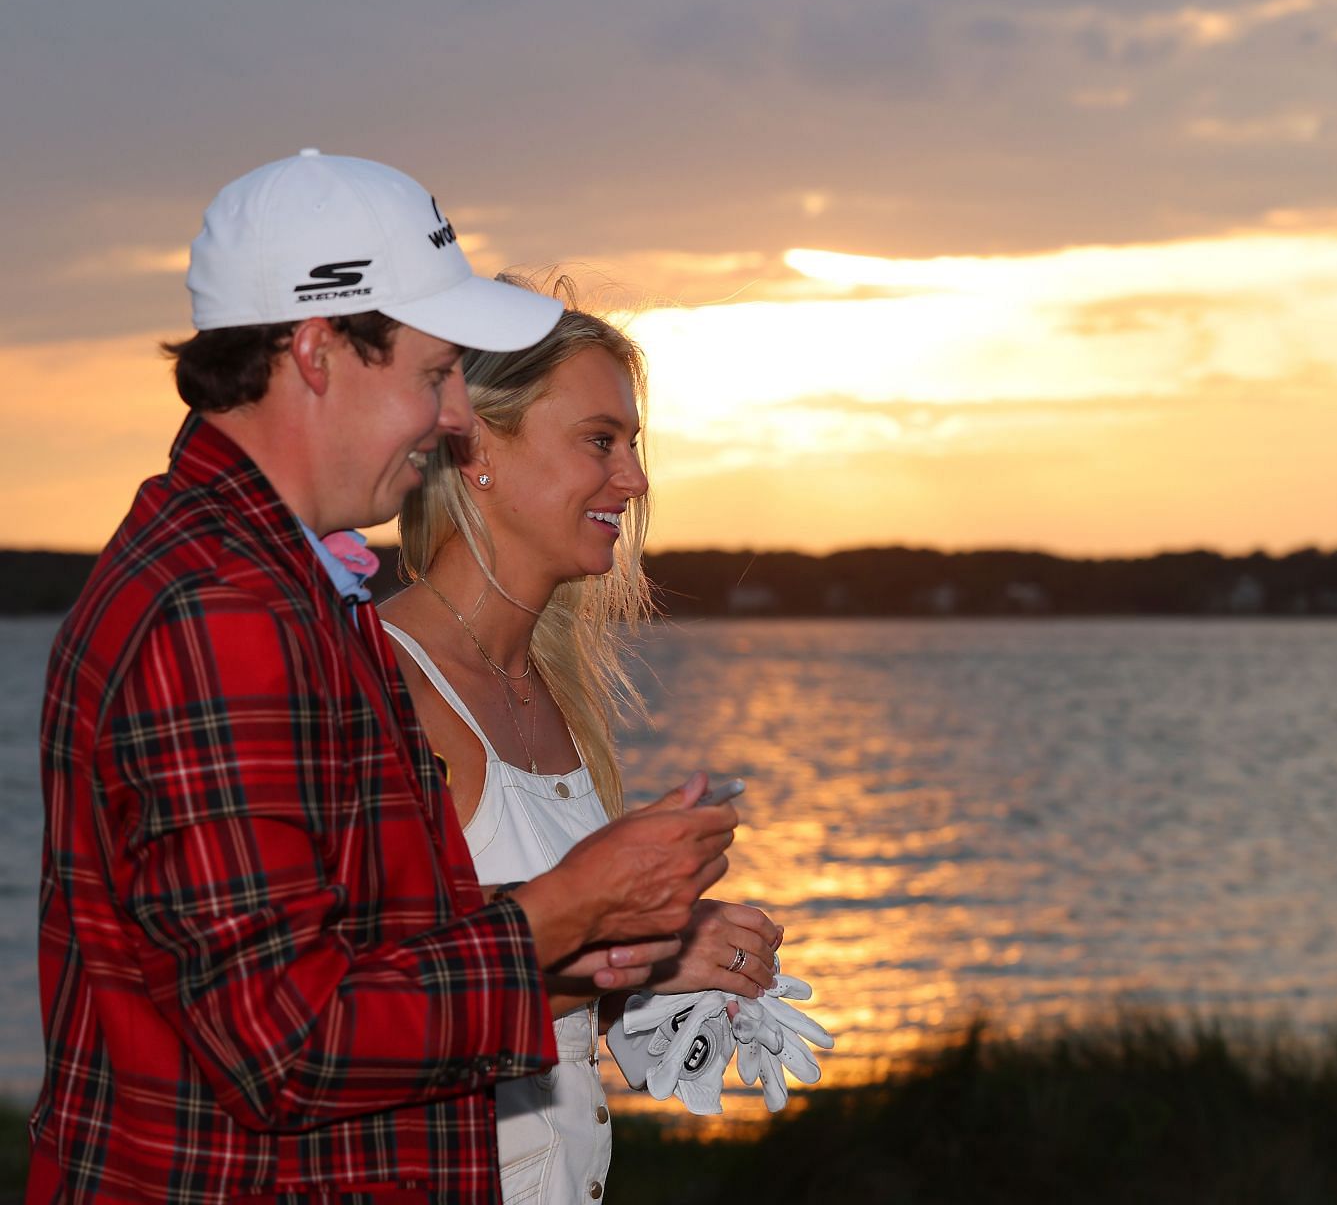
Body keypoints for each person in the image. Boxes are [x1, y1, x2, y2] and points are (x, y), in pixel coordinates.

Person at [32, 152, 737, 1203]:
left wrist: (604, 939)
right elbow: (288, 1037)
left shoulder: (274, 583)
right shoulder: (221, 610)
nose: (454, 413)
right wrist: (567, 911)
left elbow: (352, 936)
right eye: (434, 370)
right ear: (318, 350)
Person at [380, 278, 783, 1201]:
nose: (635, 480)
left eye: (632, 446)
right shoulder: (384, 684)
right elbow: (384, 1010)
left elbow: (525, 987)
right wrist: (640, 946)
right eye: (600, 441)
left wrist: (668, 953)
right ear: (476, 444)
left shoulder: (553, 692)